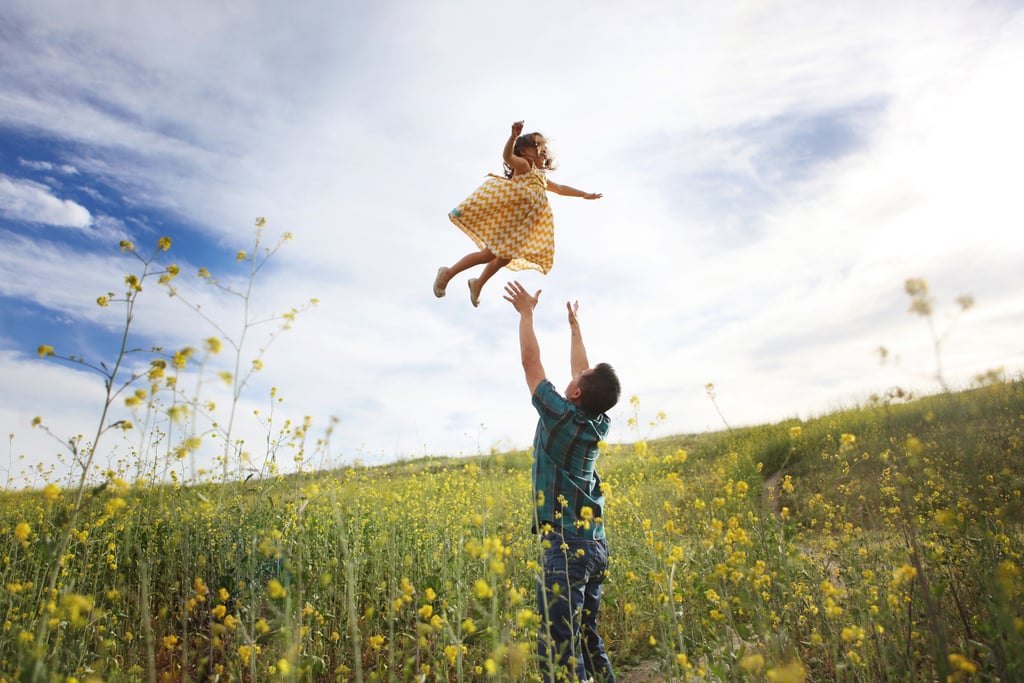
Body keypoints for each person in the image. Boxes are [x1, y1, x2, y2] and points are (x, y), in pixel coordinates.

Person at [503, 280, 620, 683]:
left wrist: (526, 314)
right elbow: (580, 373)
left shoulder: (561, 416)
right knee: (587, 637)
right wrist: (574, 328)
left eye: (580, 377)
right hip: (596, 546)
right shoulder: (597, 421)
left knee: (560, 649)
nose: (578, 372)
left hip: (566, 548)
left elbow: (530, 364)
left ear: (575, 393)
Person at [433, 121, 602, 307]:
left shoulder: (541, 177)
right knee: (487, 255)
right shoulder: (523, 166)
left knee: (505, 257)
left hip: (523, 225)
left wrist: (584, 195)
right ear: (523, 151)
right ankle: (448, 273)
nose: (544, 150)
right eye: (538, 146)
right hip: (510, 219)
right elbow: (507, 156)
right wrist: (513, 138)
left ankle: (478, 283)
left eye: (545, 147)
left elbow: (561, 189)